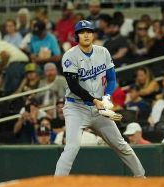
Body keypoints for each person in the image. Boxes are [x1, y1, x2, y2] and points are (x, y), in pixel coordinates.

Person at [54, 20, 145, 177]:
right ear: (77, 36)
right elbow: (74, 86)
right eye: (82, 32)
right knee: (72, 147)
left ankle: (142, 179)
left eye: (89, 31)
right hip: (77, 108)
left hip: (99, 109)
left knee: (121, 145)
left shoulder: (103, 52)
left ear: (94, 34)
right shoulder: (70, 56)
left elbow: (111, 79)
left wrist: (107, 97)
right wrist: (96, 101)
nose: (86, 34)